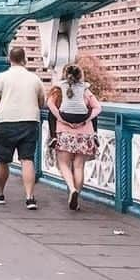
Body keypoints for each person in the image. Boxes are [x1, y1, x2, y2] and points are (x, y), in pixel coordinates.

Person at [0, 47, 46, 210]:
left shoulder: (2, 77)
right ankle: (30, 198)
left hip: (6, 121)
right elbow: (42, 102)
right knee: (27, 160)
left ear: (9, 59)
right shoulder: (34, 79)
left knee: (3, 160)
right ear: (24, 59)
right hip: (29, 121)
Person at [47, 62, 102, 211]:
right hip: (85, 134)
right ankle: (76, 200)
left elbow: (50, 106)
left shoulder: (58, 90)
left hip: (64, 133)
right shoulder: (85, 90)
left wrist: (62, 118)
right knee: (79, 166)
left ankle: (72, 189)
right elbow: (98, 108)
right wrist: (86, 119)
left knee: (64, 164)